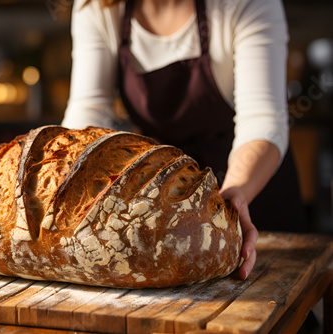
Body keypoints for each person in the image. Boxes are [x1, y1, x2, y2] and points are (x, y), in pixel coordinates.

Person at [61, 0, 307, 280]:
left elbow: (263, 121)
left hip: (251, 193)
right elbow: (88, 115)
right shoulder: (98, 6)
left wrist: (231, 203)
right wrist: (69, 191)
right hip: (168, 200)